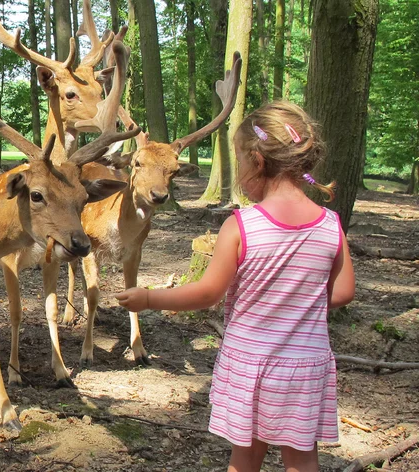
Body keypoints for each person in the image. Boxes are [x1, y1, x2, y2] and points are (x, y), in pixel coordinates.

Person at [115, 101, 355, 472]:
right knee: (303, 458)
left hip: (251, 365)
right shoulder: (330, 224)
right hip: (307, 367)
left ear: (257, 163)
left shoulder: (241, 226)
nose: (239, 171)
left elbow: (208, 292)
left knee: (246, 456)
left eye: (240, 161)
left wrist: (148, 298)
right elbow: (342, 293)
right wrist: (300, 301)